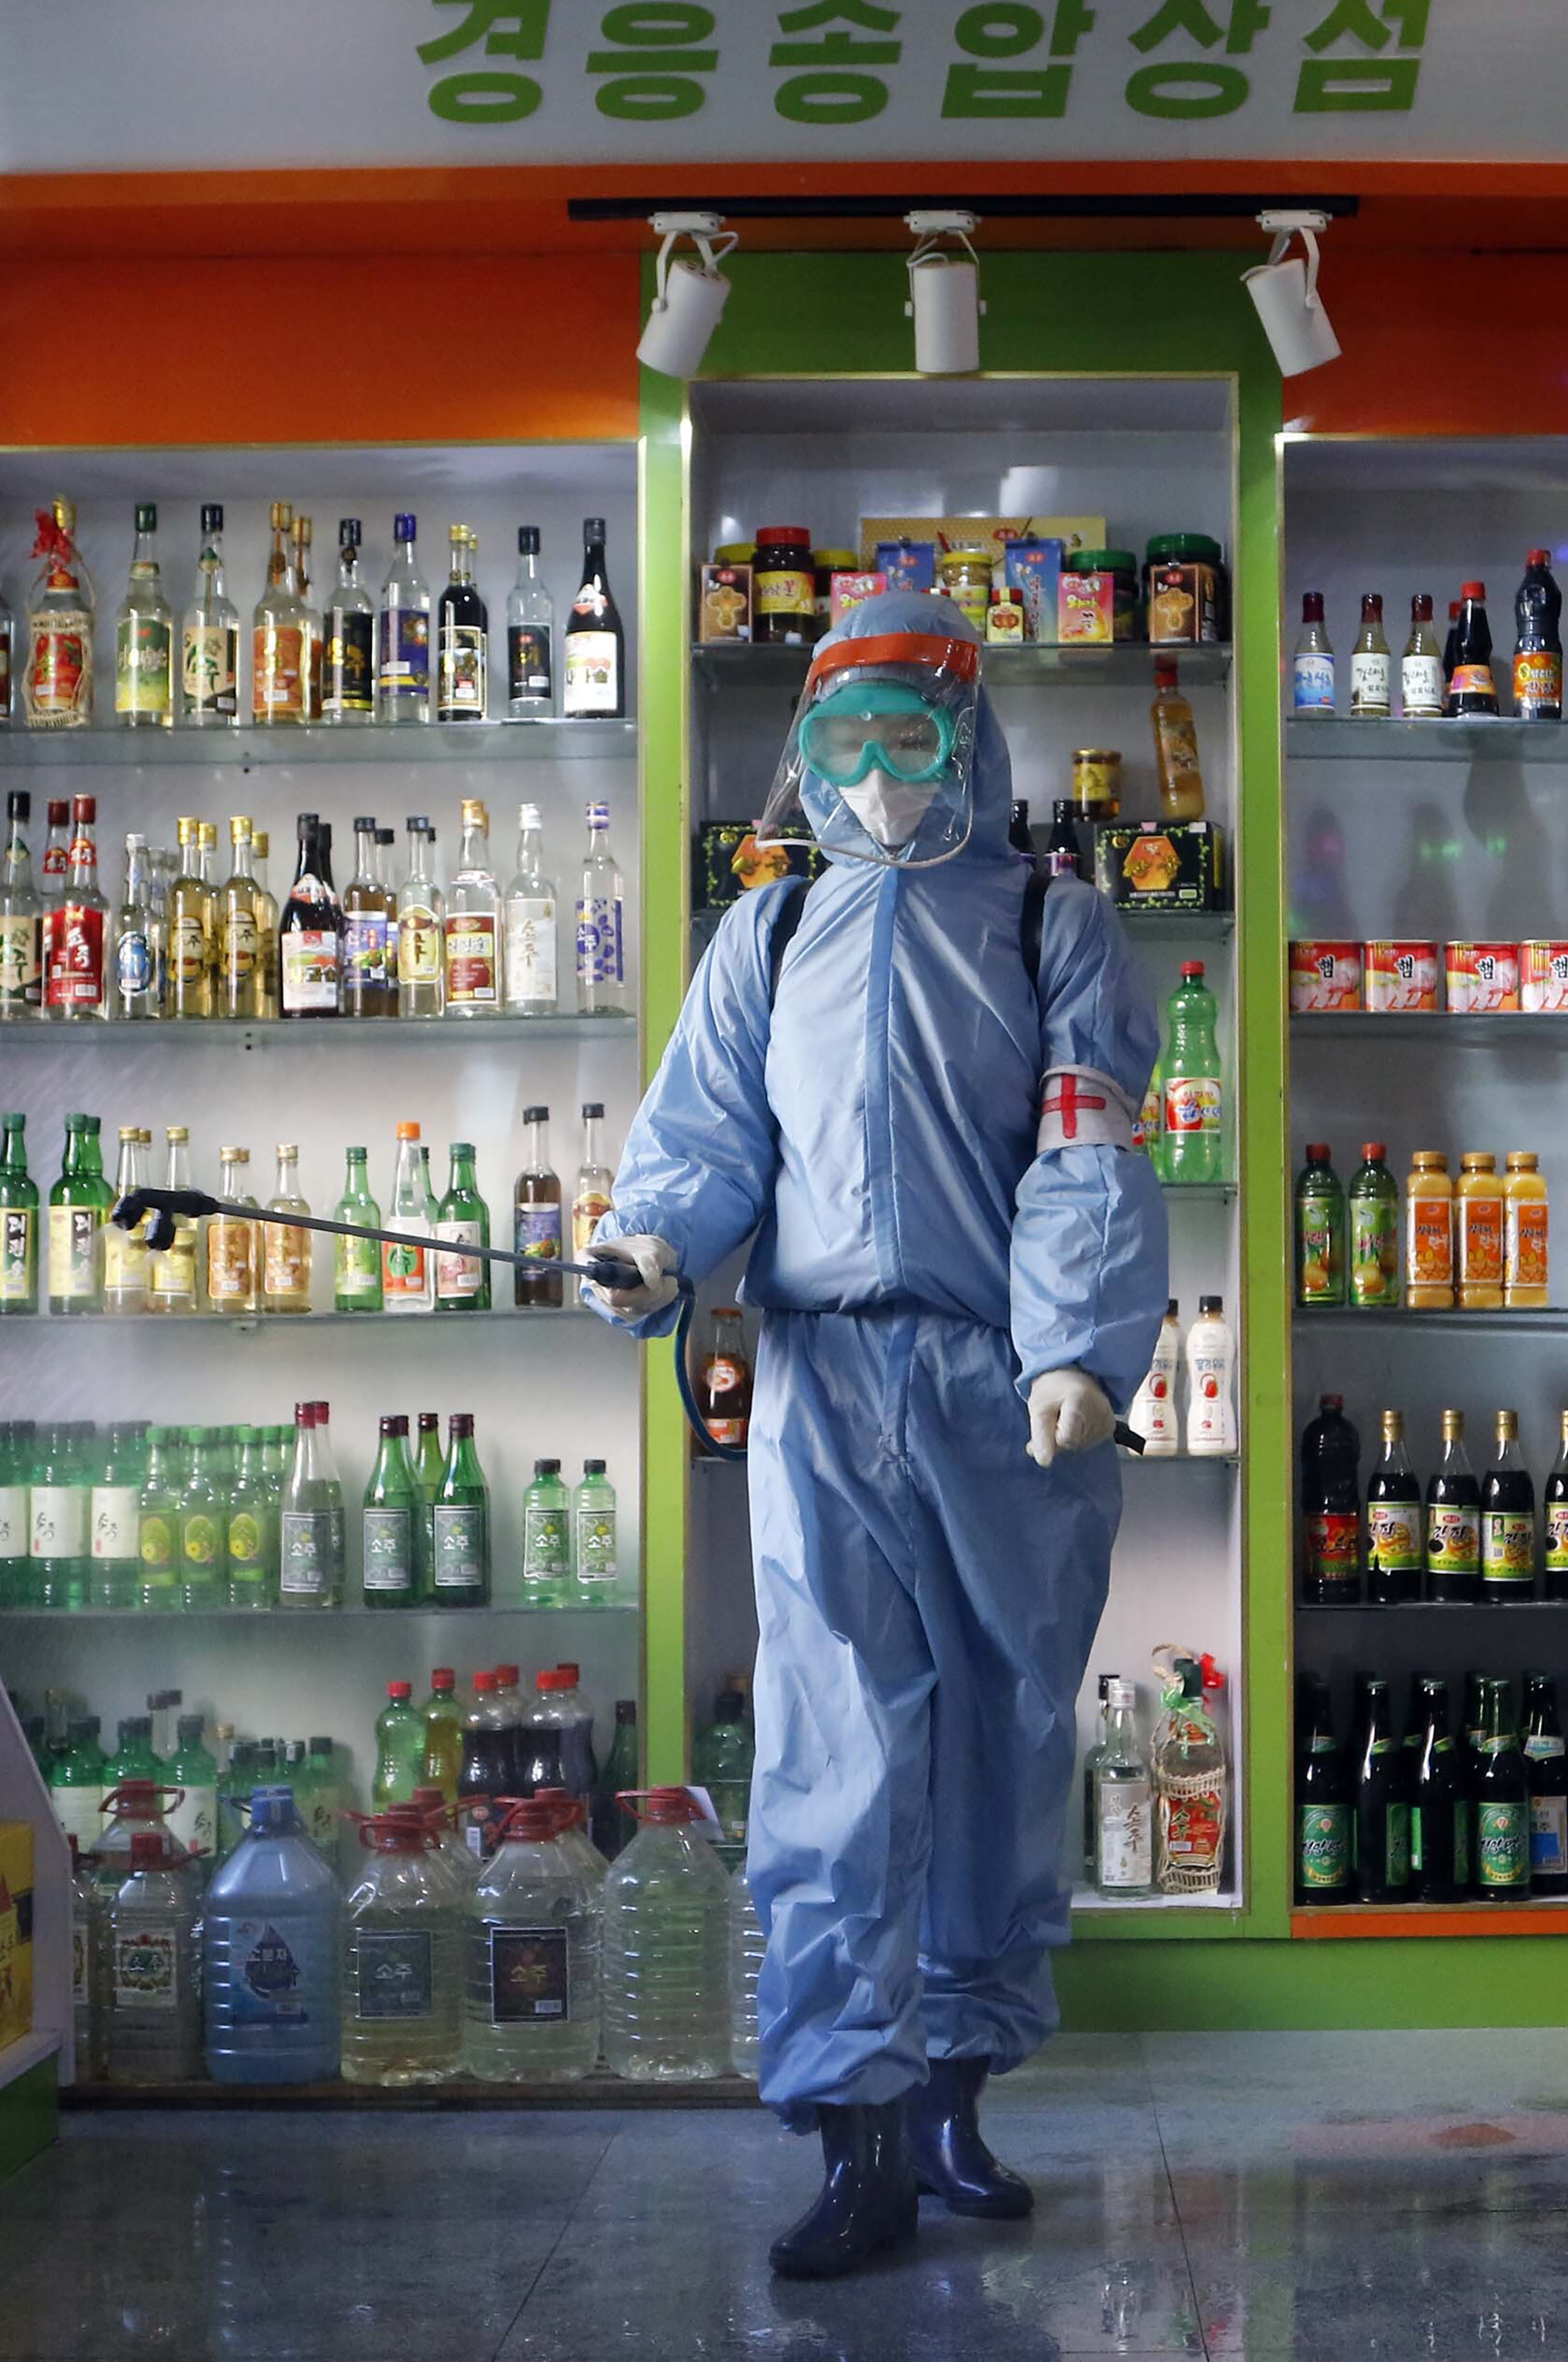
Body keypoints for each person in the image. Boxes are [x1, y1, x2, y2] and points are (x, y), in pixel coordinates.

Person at [587, 589, 1166, 2276]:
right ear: (804, 749)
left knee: (1001, 1739)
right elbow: (701, 1137)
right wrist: (655, 1245)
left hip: (1009, 1392)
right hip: (825, 1381)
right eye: (842, 739)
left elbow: (1088, 1147)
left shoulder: (1054, 920)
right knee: (839, 1752)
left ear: (970, 735)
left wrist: (1076, 1342)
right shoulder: (768, 936)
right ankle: (854, 2132)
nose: (877, 771)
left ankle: (953, 2104)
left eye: (910, 734)